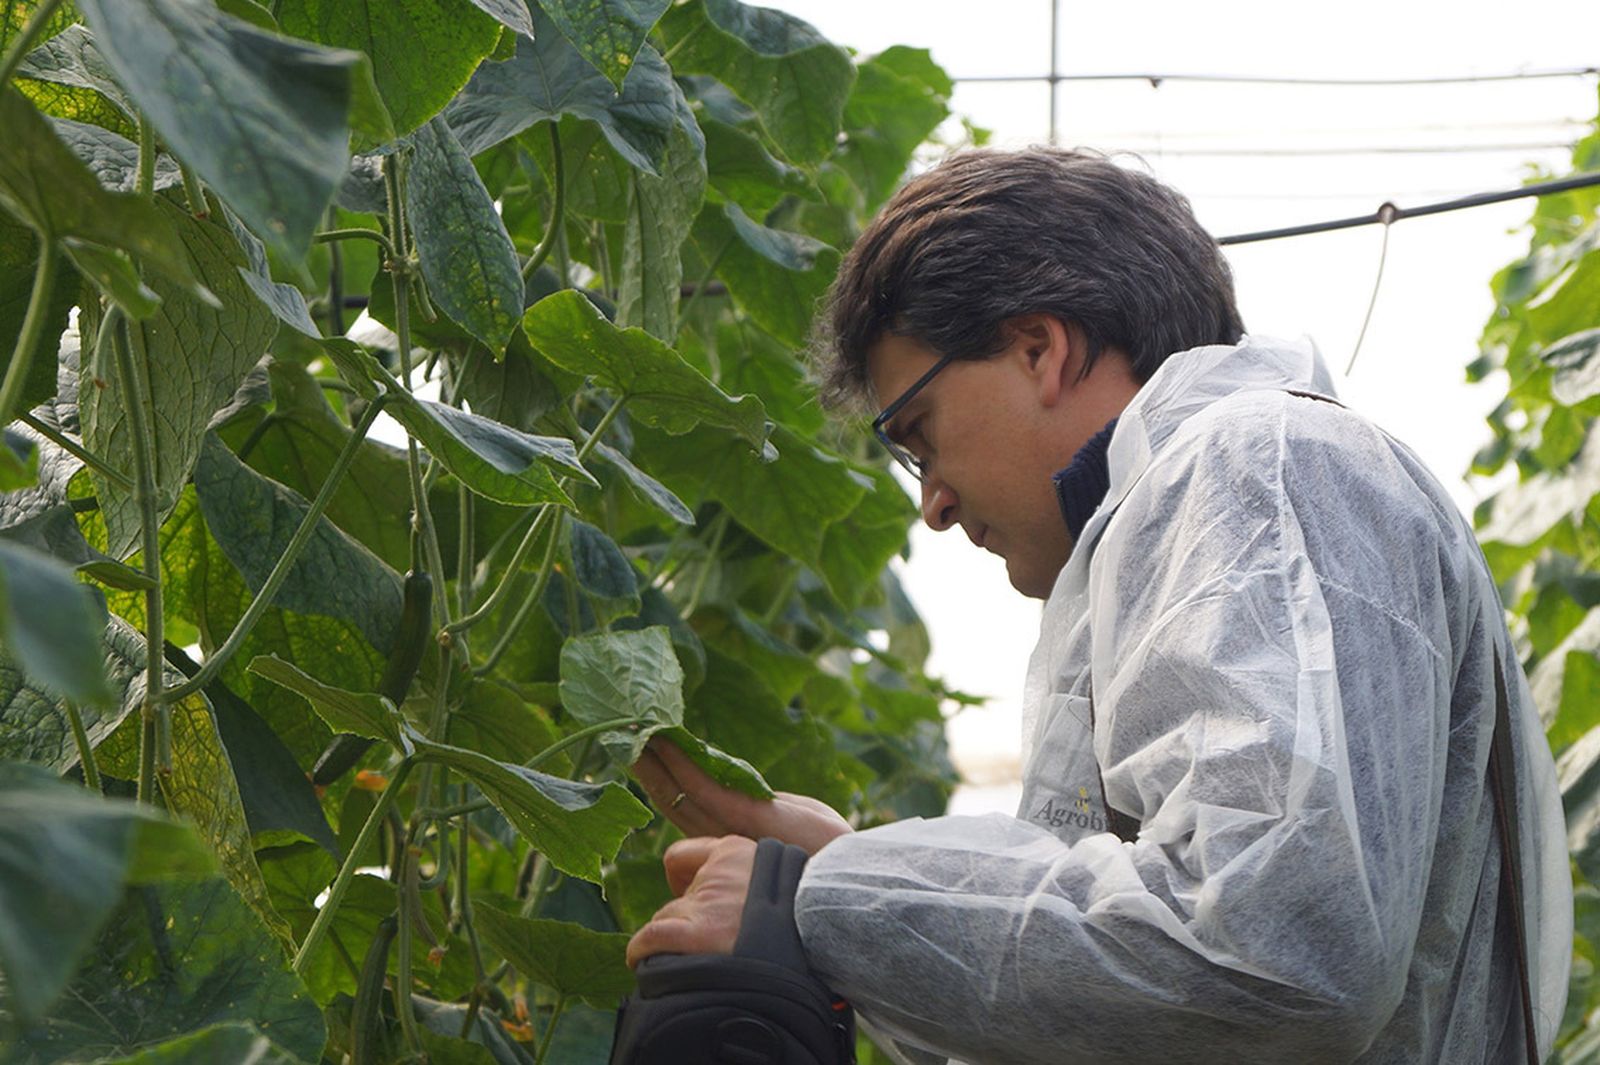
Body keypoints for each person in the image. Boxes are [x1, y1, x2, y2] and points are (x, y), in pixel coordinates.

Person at [625, 147, 1572, 1064]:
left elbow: (1282, 949)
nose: (935, 502)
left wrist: (832, 895)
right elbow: (1127, 1012)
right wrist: (839, 871)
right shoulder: (1160, 531)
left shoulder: (1254, 463)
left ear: (1040, 347)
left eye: (920, 437)